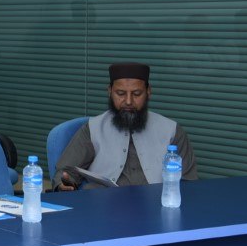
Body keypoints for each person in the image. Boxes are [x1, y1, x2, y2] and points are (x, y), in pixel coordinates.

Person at [54, 62, 198, 190]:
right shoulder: (92, 129)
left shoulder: (172, 131)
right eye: (121, 93)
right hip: (104, 204)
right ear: (110, 91)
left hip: (156, 204)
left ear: (148, 92)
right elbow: (67, 171)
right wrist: (64, 184)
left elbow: (188, 182)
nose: (128, 101)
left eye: (136, 94)